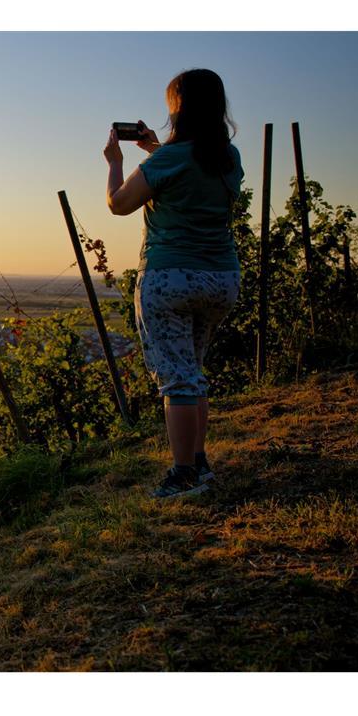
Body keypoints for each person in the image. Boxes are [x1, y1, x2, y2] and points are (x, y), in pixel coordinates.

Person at [103, 68, 243, 499]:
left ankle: (184, 476)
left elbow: (119, 204)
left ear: (177, 109)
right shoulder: (228, 157)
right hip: (221, 278)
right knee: (192, 372)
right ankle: (198, 464)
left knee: (177, 380)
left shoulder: (167, 160)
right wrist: (156, 149)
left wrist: (116, 162)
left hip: (170, 279)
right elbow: (190, 168)